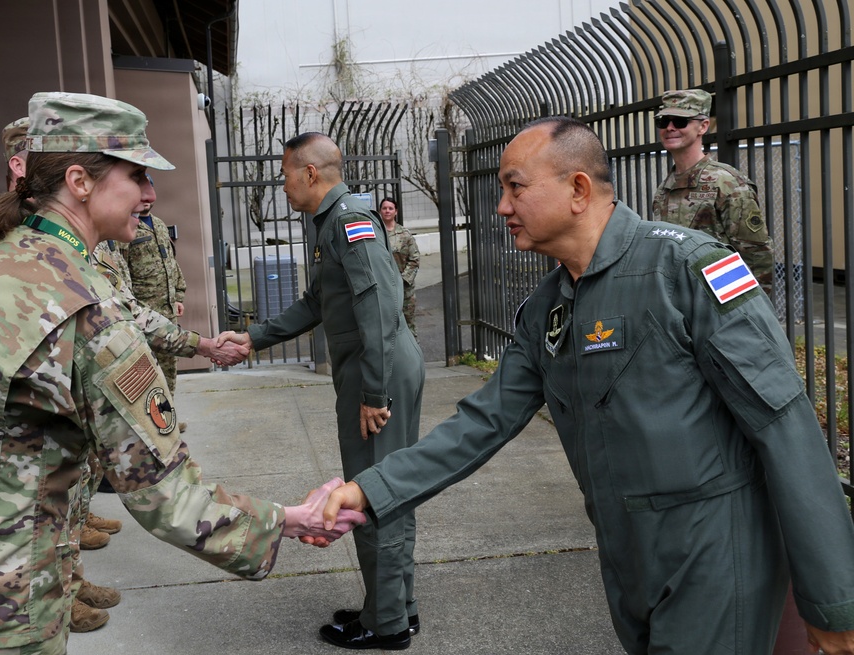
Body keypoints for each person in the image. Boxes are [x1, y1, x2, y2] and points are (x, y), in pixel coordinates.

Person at [0, 91, 365, 655]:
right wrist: (287, 520)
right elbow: (166, 496)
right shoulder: (84, 309)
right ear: (79, 180)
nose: (150, 193)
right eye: (137, 175)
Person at [322, 117, 854, 655]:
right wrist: (369, 489)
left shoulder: (689, 268)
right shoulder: (547, 309)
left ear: (578, 189)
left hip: (712, 551)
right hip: (626, 556)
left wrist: (832, 600)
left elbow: (785, 427)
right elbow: (483, 421)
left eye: (515, 187)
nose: (502, 207)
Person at [217, 133, 425, 650]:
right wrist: (255, 338)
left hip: (378, 371)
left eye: (286, 173)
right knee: (386, 488)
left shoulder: (349, 222)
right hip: (374, 366)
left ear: (310, 173)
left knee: (376, 492)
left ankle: (388, 623)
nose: (281, 184)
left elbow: (379, 306)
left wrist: (374, 393)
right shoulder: (331, 220)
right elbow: (317, 302)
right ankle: (395, 605)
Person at [2, 115, 123, 633]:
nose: (145, 192)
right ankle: (58, 590)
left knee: (66, 492)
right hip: (18, 461)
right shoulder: (19, 241)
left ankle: (68, 580)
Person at [652, 88, 774, 294]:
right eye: (663, 122)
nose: (670, 128)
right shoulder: (665, 189)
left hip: (718, 303)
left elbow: (756, 256)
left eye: (680, 121)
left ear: (703, 127)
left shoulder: (727, 183)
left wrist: (746, 314)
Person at [123, 192, 188, 406]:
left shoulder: (159, 224)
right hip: (144, 313)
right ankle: (154, 420)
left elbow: (171, 262)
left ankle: (167, 415)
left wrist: (178, 296)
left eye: (150, 194)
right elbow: (123, 272)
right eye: (140, 195)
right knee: (146, 370)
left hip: (167, 310)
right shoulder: (126, 227)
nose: (147, 199)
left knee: (169, 368)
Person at [378, 197, 420, 338]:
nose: (387, 211)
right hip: (383, 288)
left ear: (396, 212)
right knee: (386, 327)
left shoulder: (405, 234)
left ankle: (414, 358)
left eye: (390, 208)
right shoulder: (376, 234)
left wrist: (402, 281)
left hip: (404, 289)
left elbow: (414, 259)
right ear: (380, 211)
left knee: (409, 327)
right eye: (384, 208)